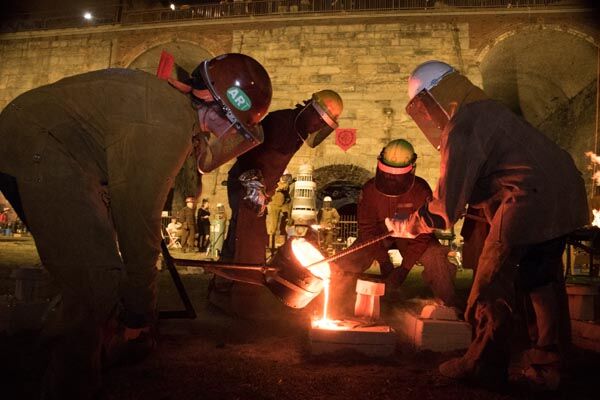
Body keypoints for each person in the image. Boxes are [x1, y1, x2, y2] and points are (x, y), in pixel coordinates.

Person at [0, 52, 272, 398]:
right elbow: (139, 224)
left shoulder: (173, 110)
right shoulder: (165, 125)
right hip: (39, 144)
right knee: (96, 279)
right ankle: (68, 384)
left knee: (92, 277)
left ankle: (48, 347)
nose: (231, 135)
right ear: (212, 103)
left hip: (52, 145)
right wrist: (139, 313)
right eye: (234, 125)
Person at [386, 60, 589, 390]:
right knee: (541, 281)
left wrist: (408, 225)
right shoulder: (489, 110)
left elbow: (444, 209)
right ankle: (552, 366)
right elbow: (497, 175)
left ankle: (482, 365)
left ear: (431, 98)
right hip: (567, 192)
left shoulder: (463, 125)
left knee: (491, 282)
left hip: (531, 197)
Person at [211, 90, 343, 310]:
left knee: (243, 236)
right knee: (247, 239)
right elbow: (247, 147)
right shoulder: (281, 121)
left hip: (262, 191)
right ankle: (237, 296)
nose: (318, 126)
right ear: (309, 108)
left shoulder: (298, 132)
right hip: (245, 184)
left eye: (324, 124)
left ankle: (226, 289)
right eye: (318, 119)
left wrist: (266, 191)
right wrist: (253, 183)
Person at [339, 139, 457, 306]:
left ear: (411, 169)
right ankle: (335, 294)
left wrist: (404, 269)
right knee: (348, 259)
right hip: (379, 236)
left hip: (412, 236)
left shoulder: (420, 190)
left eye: (397, 177)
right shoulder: (370, 190)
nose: (391, 180)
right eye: (387, 175)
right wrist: (384, 262)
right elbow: (367, 229)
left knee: (436, 257)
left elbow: (424, 235)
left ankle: (449, 305)